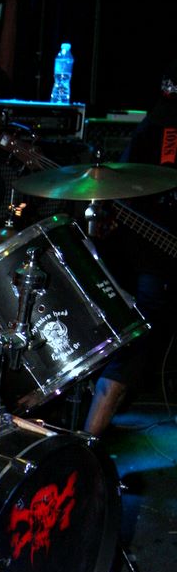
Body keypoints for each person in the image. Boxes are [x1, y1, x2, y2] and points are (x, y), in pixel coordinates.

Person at [84, 61, 177, 436]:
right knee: (134, 342)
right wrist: (111, 216)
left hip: (155, 257)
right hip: (155, 258)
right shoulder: (160, 126)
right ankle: (88, 441)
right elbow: (121, 188)